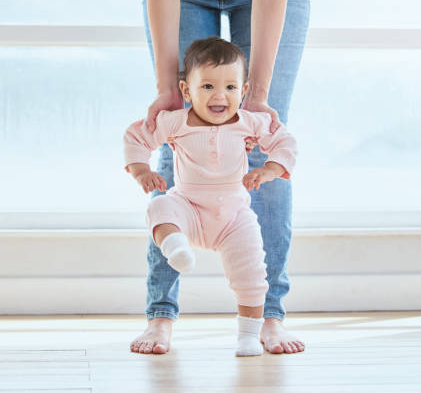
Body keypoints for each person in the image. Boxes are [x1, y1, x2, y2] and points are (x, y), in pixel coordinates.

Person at [127, 0, 310, 354]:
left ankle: (268, 315)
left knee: (262, 140)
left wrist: (254, 96)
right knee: (175, 136)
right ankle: (161, 314)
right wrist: (167, 93)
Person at [124, 37, 298, 356]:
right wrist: (141, 171)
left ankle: (248, 335)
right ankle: (174, 247)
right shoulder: (175, 121)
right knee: (161, 206)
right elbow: (137, 136)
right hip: (188, 207)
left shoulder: (250, 122)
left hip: (233, 216)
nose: (220, 95)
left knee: (252, 273)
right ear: (186, 91)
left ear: (244, 92)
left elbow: (284, 141)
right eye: (207, 87)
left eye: (231, 88)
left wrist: (270, 169)